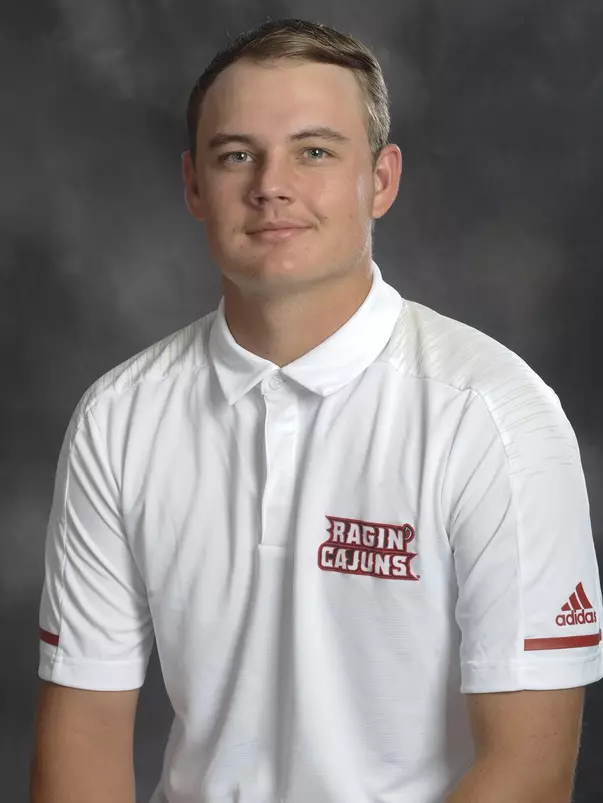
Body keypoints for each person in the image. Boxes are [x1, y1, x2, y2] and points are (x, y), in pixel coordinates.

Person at [30, 16, 602, 803]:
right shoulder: (118, 418)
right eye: (236, 155)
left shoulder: (496, 417)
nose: (271, 184)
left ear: (381, 179)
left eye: (314, 150)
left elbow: (529, 772)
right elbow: (84, 735)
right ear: (195, 185)